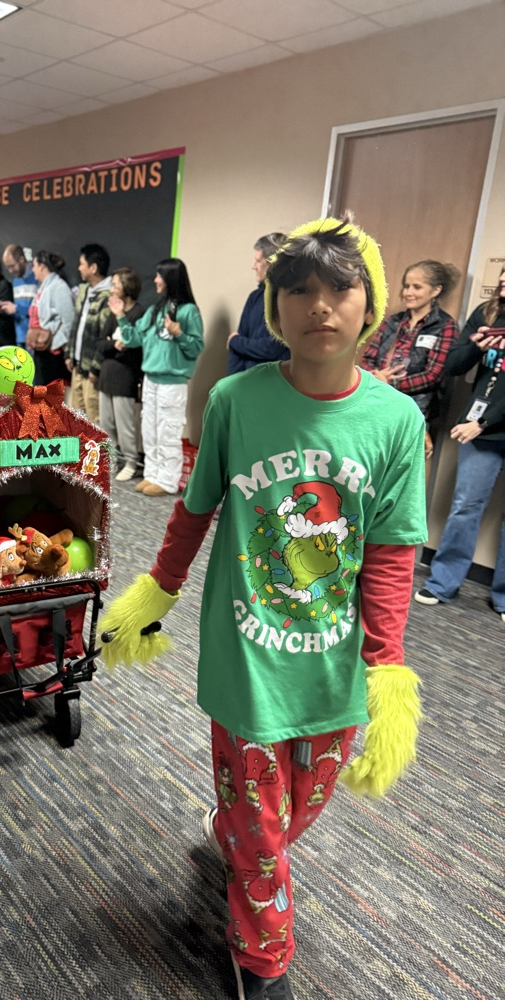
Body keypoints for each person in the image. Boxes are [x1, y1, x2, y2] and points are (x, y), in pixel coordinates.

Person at [98, 218, 427, 1000]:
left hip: (333, 661)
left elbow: (389, 556)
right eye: (299, 290)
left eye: (340, 288)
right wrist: (157, 593)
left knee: (293, 811)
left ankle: (227, 836)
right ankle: (262, 958)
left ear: (369, 302)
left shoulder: (397, 422)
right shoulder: (237, 402)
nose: (320, 306)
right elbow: (194, 509)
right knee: (263, 831)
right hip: (248, 654)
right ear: (274, 306)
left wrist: (386, 667)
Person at [414, 267, 505, 621]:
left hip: (483, 425)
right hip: (480, 428)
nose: (502, 283)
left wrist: (482, 423)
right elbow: (452, 365)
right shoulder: (487, 312)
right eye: (502, 276)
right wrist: (474, 346)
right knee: (466, 506)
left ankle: (502, 598)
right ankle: (442, 584)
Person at [109, 257, 203, 496]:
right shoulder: (154, 311)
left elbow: (195, 348)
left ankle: (168, 481)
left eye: (160, 275)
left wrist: (179, 333)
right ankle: (153, 474)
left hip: (173, 383)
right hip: (150, 380)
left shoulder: (188, 311)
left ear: (171, 278)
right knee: (149, 430)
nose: (156, 280)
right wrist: (120, 315)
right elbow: (133, 339)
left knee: (167, 431)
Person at [361, 259, 460, 465]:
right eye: (406, 286)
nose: (408, 292)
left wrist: (391, 383)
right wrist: (376, 377)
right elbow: (368, 358)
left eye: (417, 287)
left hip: (415, 410)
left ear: (435, 291)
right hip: (377, 402)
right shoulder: (393, 321)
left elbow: (434, 375)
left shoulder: (445, 326)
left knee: (399, 469)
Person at [96, 267, 144, 481]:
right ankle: (112, 458)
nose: (112, 288)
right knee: (106, 422)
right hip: (106, 376)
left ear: (127, 287)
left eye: (116, 284)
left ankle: (132, 461)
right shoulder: (113, 314)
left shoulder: (138, 314)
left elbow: (133, 349)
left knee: (125, 424)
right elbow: (100, 343)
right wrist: (113, 346)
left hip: (125, 377)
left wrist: (113, 346)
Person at [227, 233, 290, 375]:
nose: (253, 266)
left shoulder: (290, 300)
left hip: (275, 384)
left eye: (258, 261)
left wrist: (235, 341)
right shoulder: (254, 297)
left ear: (272, 263)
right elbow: (237, 348)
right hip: (247, 382)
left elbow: (272, 348)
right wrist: (231, 384)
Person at [66, 243, 112, 423]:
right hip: (77, 364)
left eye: (82, 264)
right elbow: (75, 323)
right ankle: (78, 450)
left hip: (92, 369)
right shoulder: (84, 290)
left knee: (93, 414)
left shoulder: (107, 296)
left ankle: (95, 451)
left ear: (93, 268)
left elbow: (103, 335)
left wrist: (95, 367)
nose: (78, 268)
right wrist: (70, 353)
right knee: (75, 414)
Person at [27, 251, 74, 386]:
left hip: (52, 354)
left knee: (51, 397)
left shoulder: (59, 287)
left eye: (35, 265)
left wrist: (54, 343)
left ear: (42, 266)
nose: (33, 269)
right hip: (42, 351)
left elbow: (69, 321)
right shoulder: (44, 287)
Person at [0, 244, 38, 348]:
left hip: (34, 337)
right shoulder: (16, 281)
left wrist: (17, 309)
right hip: (19, 337)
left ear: (21, 259)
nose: (10, 271)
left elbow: (40, 309)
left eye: (12, 266)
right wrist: (7, 309)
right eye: (8, 267)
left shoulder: (37, 277)